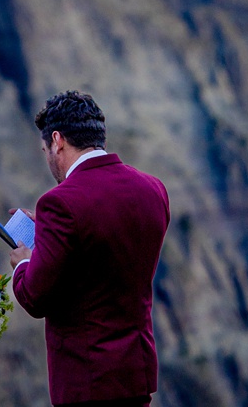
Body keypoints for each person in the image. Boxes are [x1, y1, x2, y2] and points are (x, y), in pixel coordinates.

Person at [9, 90, 170, 407]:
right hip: (136, 374)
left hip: (86, 381)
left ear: (57, 141)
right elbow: (108, 248)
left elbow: (35, 297)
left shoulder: (60, 203)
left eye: (45, 150)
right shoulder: (154, 190)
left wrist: (24, 262)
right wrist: (54, 237)